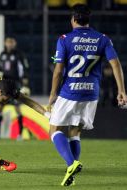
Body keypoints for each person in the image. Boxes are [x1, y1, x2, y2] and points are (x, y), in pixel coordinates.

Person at [48, 4, 127, 186]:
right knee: (75, 131)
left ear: (73, 19)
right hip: (91, 93)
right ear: (88, 20)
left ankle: (71, 163)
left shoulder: (65, 39)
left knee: (54, 130)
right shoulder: (103, 39)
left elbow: (58, 71)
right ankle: (72, 174)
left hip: (70, 92)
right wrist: (121, 91)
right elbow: (115, 64)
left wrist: (53, 94)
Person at [0, 37, 30, 140]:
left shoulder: (19, 55)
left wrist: (25, 83)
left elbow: (24, 69)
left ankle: (19, 134)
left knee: (17, 108)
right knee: (0, 107)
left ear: (14, 44)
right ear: (5, 43)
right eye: (8, 42)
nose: (9, 44)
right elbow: (0, 68)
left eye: (11, 43)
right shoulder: (2, 54)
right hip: (4, 84)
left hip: (15, 84)